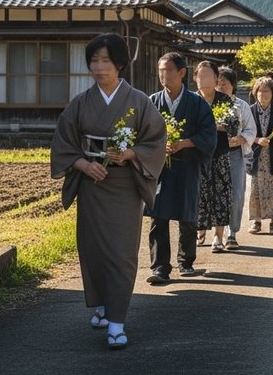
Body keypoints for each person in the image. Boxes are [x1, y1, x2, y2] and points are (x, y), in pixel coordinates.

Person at [50, 34, 167, 351]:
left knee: (121, 253)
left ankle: (117, 322)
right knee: (94, 250)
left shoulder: (138, 101)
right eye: (94, 60)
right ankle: (102, 304)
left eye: (105, 60)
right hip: (92, 187)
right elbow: (62, 144)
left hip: (124, 187)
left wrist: (131, 154)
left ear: (119, 64)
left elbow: (156, 140)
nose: (99, 67)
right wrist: (84, 165)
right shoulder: (80, 103)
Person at [145, 52, 217, 285]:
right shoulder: (152, 101)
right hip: (160, 169)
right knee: (158, 215)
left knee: (187, 214)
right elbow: (141, 133)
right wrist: (160, 146)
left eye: (168, 70)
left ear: (182, 72)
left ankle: (186, 262)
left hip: (188, 165)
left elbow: (209, 134)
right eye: (160, 71)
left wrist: (184, 143)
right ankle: (160, 267)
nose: (163, 75)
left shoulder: (196, 103)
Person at [193, 61, 235, 253]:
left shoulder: (225, 100)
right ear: (195, 78)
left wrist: (220, 127)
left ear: (216, 78)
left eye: (208, 75)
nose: (203, 79)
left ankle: (218, 237)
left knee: (221, 195)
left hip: (220, 154)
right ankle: (199, 229)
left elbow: (234, 126)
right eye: (200, 76)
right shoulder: (192, 100)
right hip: (197, 155)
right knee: (198, 194)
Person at [217, 67, 256, 249]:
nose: (221, 87)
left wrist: (241, 139)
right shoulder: (208, 103)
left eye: (225, 83)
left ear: (233, 85)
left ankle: (231, 232)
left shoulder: (241, 105)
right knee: (214, 194)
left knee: (236, 194)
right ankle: (213, 233)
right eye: (218, 83)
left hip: (234, 154)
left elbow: (251, 129)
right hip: (213, 155)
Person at [248, 77, 273, 233]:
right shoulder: (250, 111)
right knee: (256, 189)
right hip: (256, 156)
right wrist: (257, 139)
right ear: (255, 92)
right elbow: (243, 132)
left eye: (267, 91)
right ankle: (256, 221)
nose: (263, 94)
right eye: (260, 90)